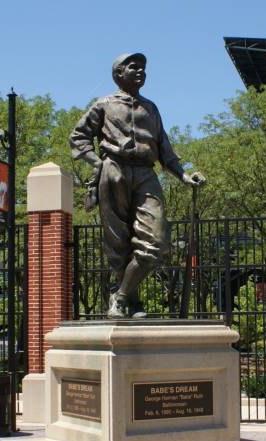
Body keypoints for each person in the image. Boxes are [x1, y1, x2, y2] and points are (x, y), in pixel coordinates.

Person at [70, 52, 206, 319]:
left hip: (146, 173)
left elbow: (165, 150)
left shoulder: (151, 108)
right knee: (118, 244)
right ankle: (131, 301)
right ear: (119, 73)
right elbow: (78, 137)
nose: (141, 71)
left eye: (143, 68)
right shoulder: (104, 104)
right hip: (114, 170)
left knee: (156, 242)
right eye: (134, 67)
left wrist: (184, 175)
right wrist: (97, 164)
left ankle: (119, 296)